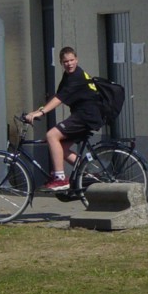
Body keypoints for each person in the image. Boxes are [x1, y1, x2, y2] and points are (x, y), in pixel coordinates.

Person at [25, 47, 104, 191]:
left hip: (86, 116)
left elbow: (60, 99)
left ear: (77, 59)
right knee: (61, 148)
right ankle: (90, 175)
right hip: (83, 115)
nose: (69, 64)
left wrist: (40, 113)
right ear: (61, 62)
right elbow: (57, 95)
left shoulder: (76, 76)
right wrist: (35, 112)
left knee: (51, 135)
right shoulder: (68, 76)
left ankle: (60, 178)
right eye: (66, 61)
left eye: (72, 60)